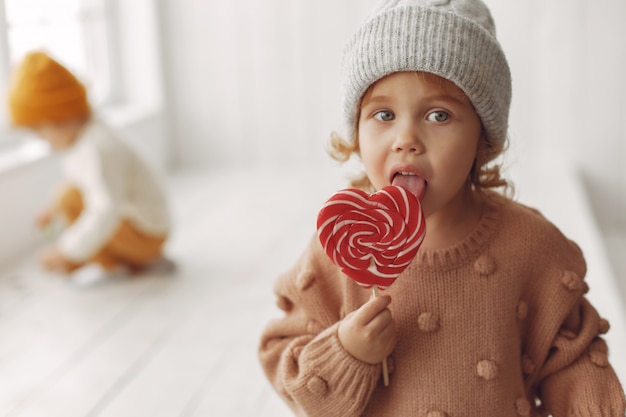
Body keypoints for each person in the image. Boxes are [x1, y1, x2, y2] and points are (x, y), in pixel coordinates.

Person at [258, 0, 626, 416]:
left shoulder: (531, 247)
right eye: (383, 114)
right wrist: (346, 352)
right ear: (356, 133)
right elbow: (284, 359)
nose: (406, 138)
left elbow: (572, 359)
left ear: (482, 137)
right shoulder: (340, 250)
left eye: (438, 114)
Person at [7, 51, 172, 279]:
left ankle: (119, 264)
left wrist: (66, 251)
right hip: (139, 228)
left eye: (40, 131)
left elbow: (105, 210)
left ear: (61, 121)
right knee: (66, 197)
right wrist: (53, 210)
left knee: (71, 200)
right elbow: (83, 182)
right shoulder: (84, 140)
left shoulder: (98, 148)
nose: (43, 141)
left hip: (146, 235)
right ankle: (116, 260)